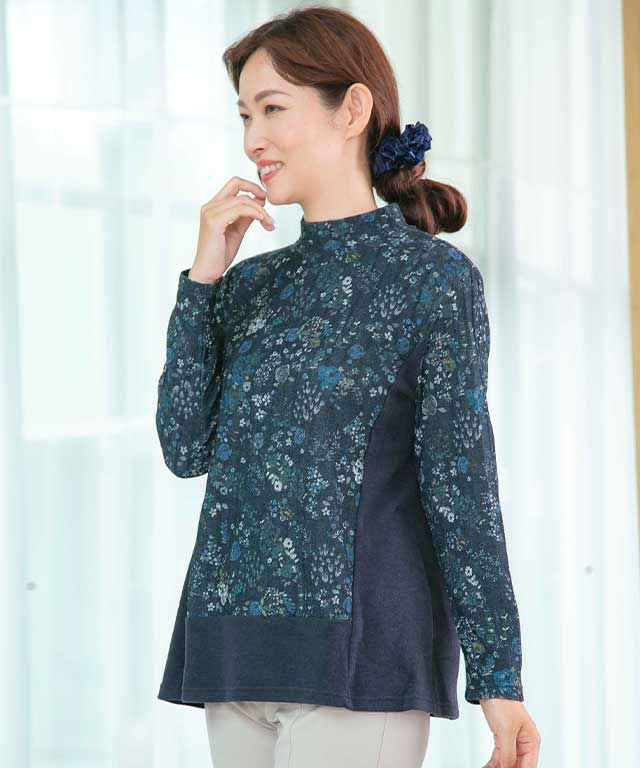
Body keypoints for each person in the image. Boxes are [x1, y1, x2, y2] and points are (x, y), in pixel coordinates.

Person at [154, 5, 541, 767]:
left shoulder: (431, 279)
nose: (252, 139)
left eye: (272, 108)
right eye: (244, 115)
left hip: (360, 659)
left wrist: (498, 677)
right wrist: (202, 281)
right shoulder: (247, 286)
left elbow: (460, 483)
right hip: (232, 651)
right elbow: (184, 448)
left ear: (353, 109)